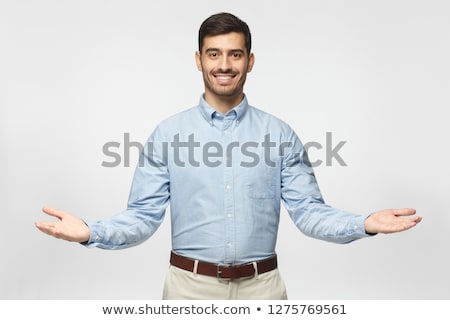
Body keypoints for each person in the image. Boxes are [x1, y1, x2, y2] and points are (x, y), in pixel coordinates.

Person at [35, 12, 422, 300]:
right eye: (214, 54)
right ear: (199, 59)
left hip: (264, 290)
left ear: (250, 61)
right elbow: (142, 217)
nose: (224, 65)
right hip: (188, 290)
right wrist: (91, 232)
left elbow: (309, 212)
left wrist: (364, 223)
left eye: (235, 55)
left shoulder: (280, 134)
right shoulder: (167, 135)